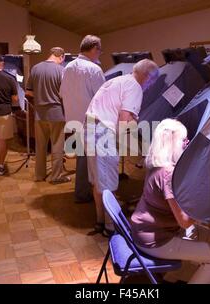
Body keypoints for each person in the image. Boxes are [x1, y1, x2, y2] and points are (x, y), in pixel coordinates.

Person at [130, 119, 210, 284]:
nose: (187, 143)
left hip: (144, 230)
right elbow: (184, 222)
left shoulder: (156, 163)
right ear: (172, 143)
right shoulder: (168, 174)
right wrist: (205, 207)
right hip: (155, 240)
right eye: (184, 140)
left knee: (206, 234)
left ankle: (174, 278)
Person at [85, 59, 159, 236]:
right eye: (153, 80)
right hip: (103, 132)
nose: (151, 84)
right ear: (147, 76)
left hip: (88, 128)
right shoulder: (134, 87)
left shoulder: (116, 80)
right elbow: (125, 121)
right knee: (108, 182)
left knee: (98, 181)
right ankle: (111, 228)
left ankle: (100, 221)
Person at [60, 35, 105, 203]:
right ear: (93, 48)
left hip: (73, 119)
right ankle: (84, 194)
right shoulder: (94, 69)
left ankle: (82, 191)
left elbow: (62, 93)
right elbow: (102, 97)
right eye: (99, 50)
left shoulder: (68, 67)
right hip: (90, 121)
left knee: (81, 157)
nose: (99, 53)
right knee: (89, 161)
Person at [26, 47, 70, 184]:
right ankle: (56, 177)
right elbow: (65, 94)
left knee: (40, 146)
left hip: (39, 114)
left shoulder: (35, 68)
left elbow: (28, 92)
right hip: (56, 113)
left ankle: (39, 175)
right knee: (57, 145)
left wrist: (40, 97)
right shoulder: (62, 70)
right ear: (61, 57)